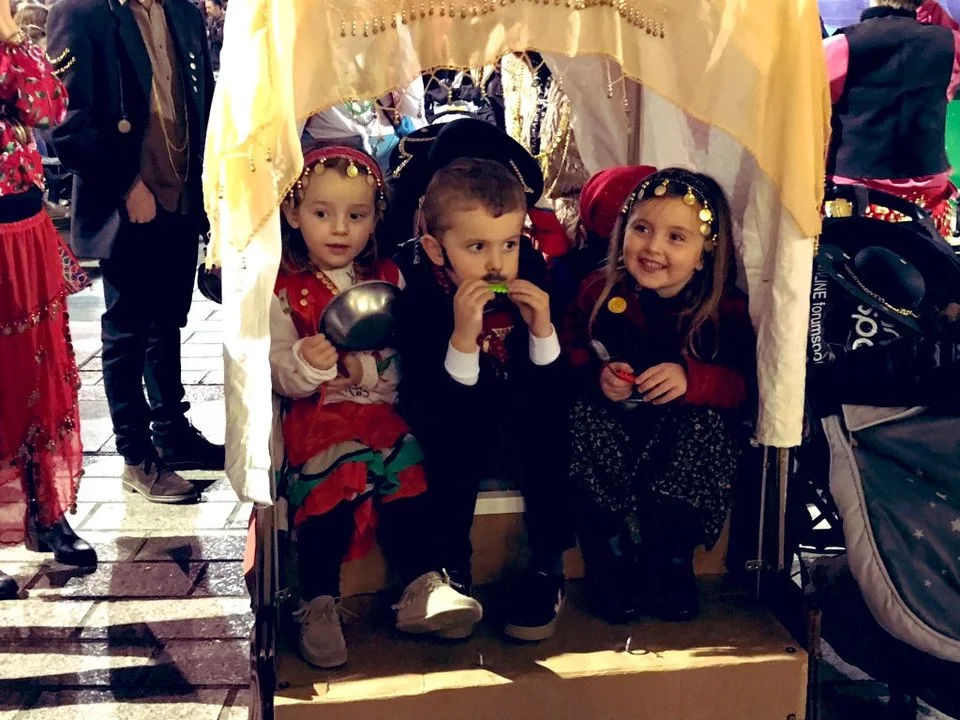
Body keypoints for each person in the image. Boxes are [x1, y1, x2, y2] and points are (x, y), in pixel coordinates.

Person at [270, 144, 480, 668]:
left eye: (357, 215)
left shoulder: (390, 276)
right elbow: (277, 368)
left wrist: (368, 372)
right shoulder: (283, 289)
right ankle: (317, 599)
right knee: (333, 478)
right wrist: (306, 362)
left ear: (376, 218)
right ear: (294, 213)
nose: (340, 229)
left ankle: (421, 586)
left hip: (383, 412)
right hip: (320, 418)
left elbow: (408, 347)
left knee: (408, 476)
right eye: (322, 213)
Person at [395, 119, 576, 643]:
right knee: (451, 450)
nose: (497, 263)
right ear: (436, 249)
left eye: (508, 244)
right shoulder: (418, 286)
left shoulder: (531, 273)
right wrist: (461, 337)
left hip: (515, 413)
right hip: (447, 417)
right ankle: (450, 572)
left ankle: (546, 566)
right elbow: (432, 400)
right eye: (477, 247)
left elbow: (551, 391)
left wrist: (543, 332)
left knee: (550, 433)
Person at [46, 0, 221, 505]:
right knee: (127, 330)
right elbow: (66, 123)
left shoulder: (183, 14)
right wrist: (127, 184)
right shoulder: (81, 13)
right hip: (127, 203)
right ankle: (136, 456)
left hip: (182, 194)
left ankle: (171, 432)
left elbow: (204, 106)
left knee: (167, 321)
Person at [561, 168, 755, 624]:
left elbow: (745, 386)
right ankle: (609, 553)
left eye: (676, 238)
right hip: (616, 431)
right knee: (576, 415)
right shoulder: (597, 291)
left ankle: (669, 557)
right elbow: (566, 351)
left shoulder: (722, 309)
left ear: (704, 254)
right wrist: (596, 375)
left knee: (707, 427)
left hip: (674, 448)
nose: (653, 247)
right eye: (642, 229)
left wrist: (692, 380)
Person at [0, 0, 96, 601]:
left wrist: (11, 40)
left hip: (26, 224)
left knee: (40, 374)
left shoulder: (10, 47)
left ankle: (47, 513)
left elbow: (48, 107)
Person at [825, 0, 960, 237]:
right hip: (927, 194)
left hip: (855, 194)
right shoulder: (951, 43)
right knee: (927, 257)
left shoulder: (841, 46)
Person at [203, 0, 223, 74]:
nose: (207, 11)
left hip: (220, 63)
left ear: (217, 7)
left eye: (209, 8)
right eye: (206, 8)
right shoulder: (210, 21)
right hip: (210, 63)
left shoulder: (226, 22)